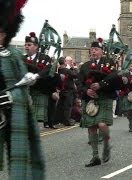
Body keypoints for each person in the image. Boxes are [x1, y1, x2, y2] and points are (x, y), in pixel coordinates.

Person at [0, 0, 45, 178]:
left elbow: (24, 80)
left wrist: (29, 80)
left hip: (14, 112)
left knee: (18, 159)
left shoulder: (14, 54)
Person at [77, 38, 120, 167]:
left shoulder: (109, 63)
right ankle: (95, 156)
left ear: (102, 51)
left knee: (102, 124)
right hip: (90, 100)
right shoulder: (85, 66)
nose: (93, 51)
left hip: (104, 97)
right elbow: (79, 83)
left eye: (96, 49)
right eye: (92, 49)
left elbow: (114, 77)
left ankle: (106, 143)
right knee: (91, 128)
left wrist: (100, 85)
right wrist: (87, 91)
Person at [24, 32, 54, 128]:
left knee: (35, 123)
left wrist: (36, 75)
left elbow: (47, 71)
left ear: (36, 46)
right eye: (25, 45)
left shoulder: (44, 58)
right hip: (25, 92)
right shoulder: (22, 58)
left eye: (29, 45)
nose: (26, 47)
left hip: (39, 91)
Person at [55, 56, 78, 126]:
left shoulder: (58, 70)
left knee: (60, 106)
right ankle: (66, 121)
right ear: (64, 62)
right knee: (68, 106)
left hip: (61, 90)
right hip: (68, 90)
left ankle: (57, 120)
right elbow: (75, 75)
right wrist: (73, 68)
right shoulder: (67, 70)